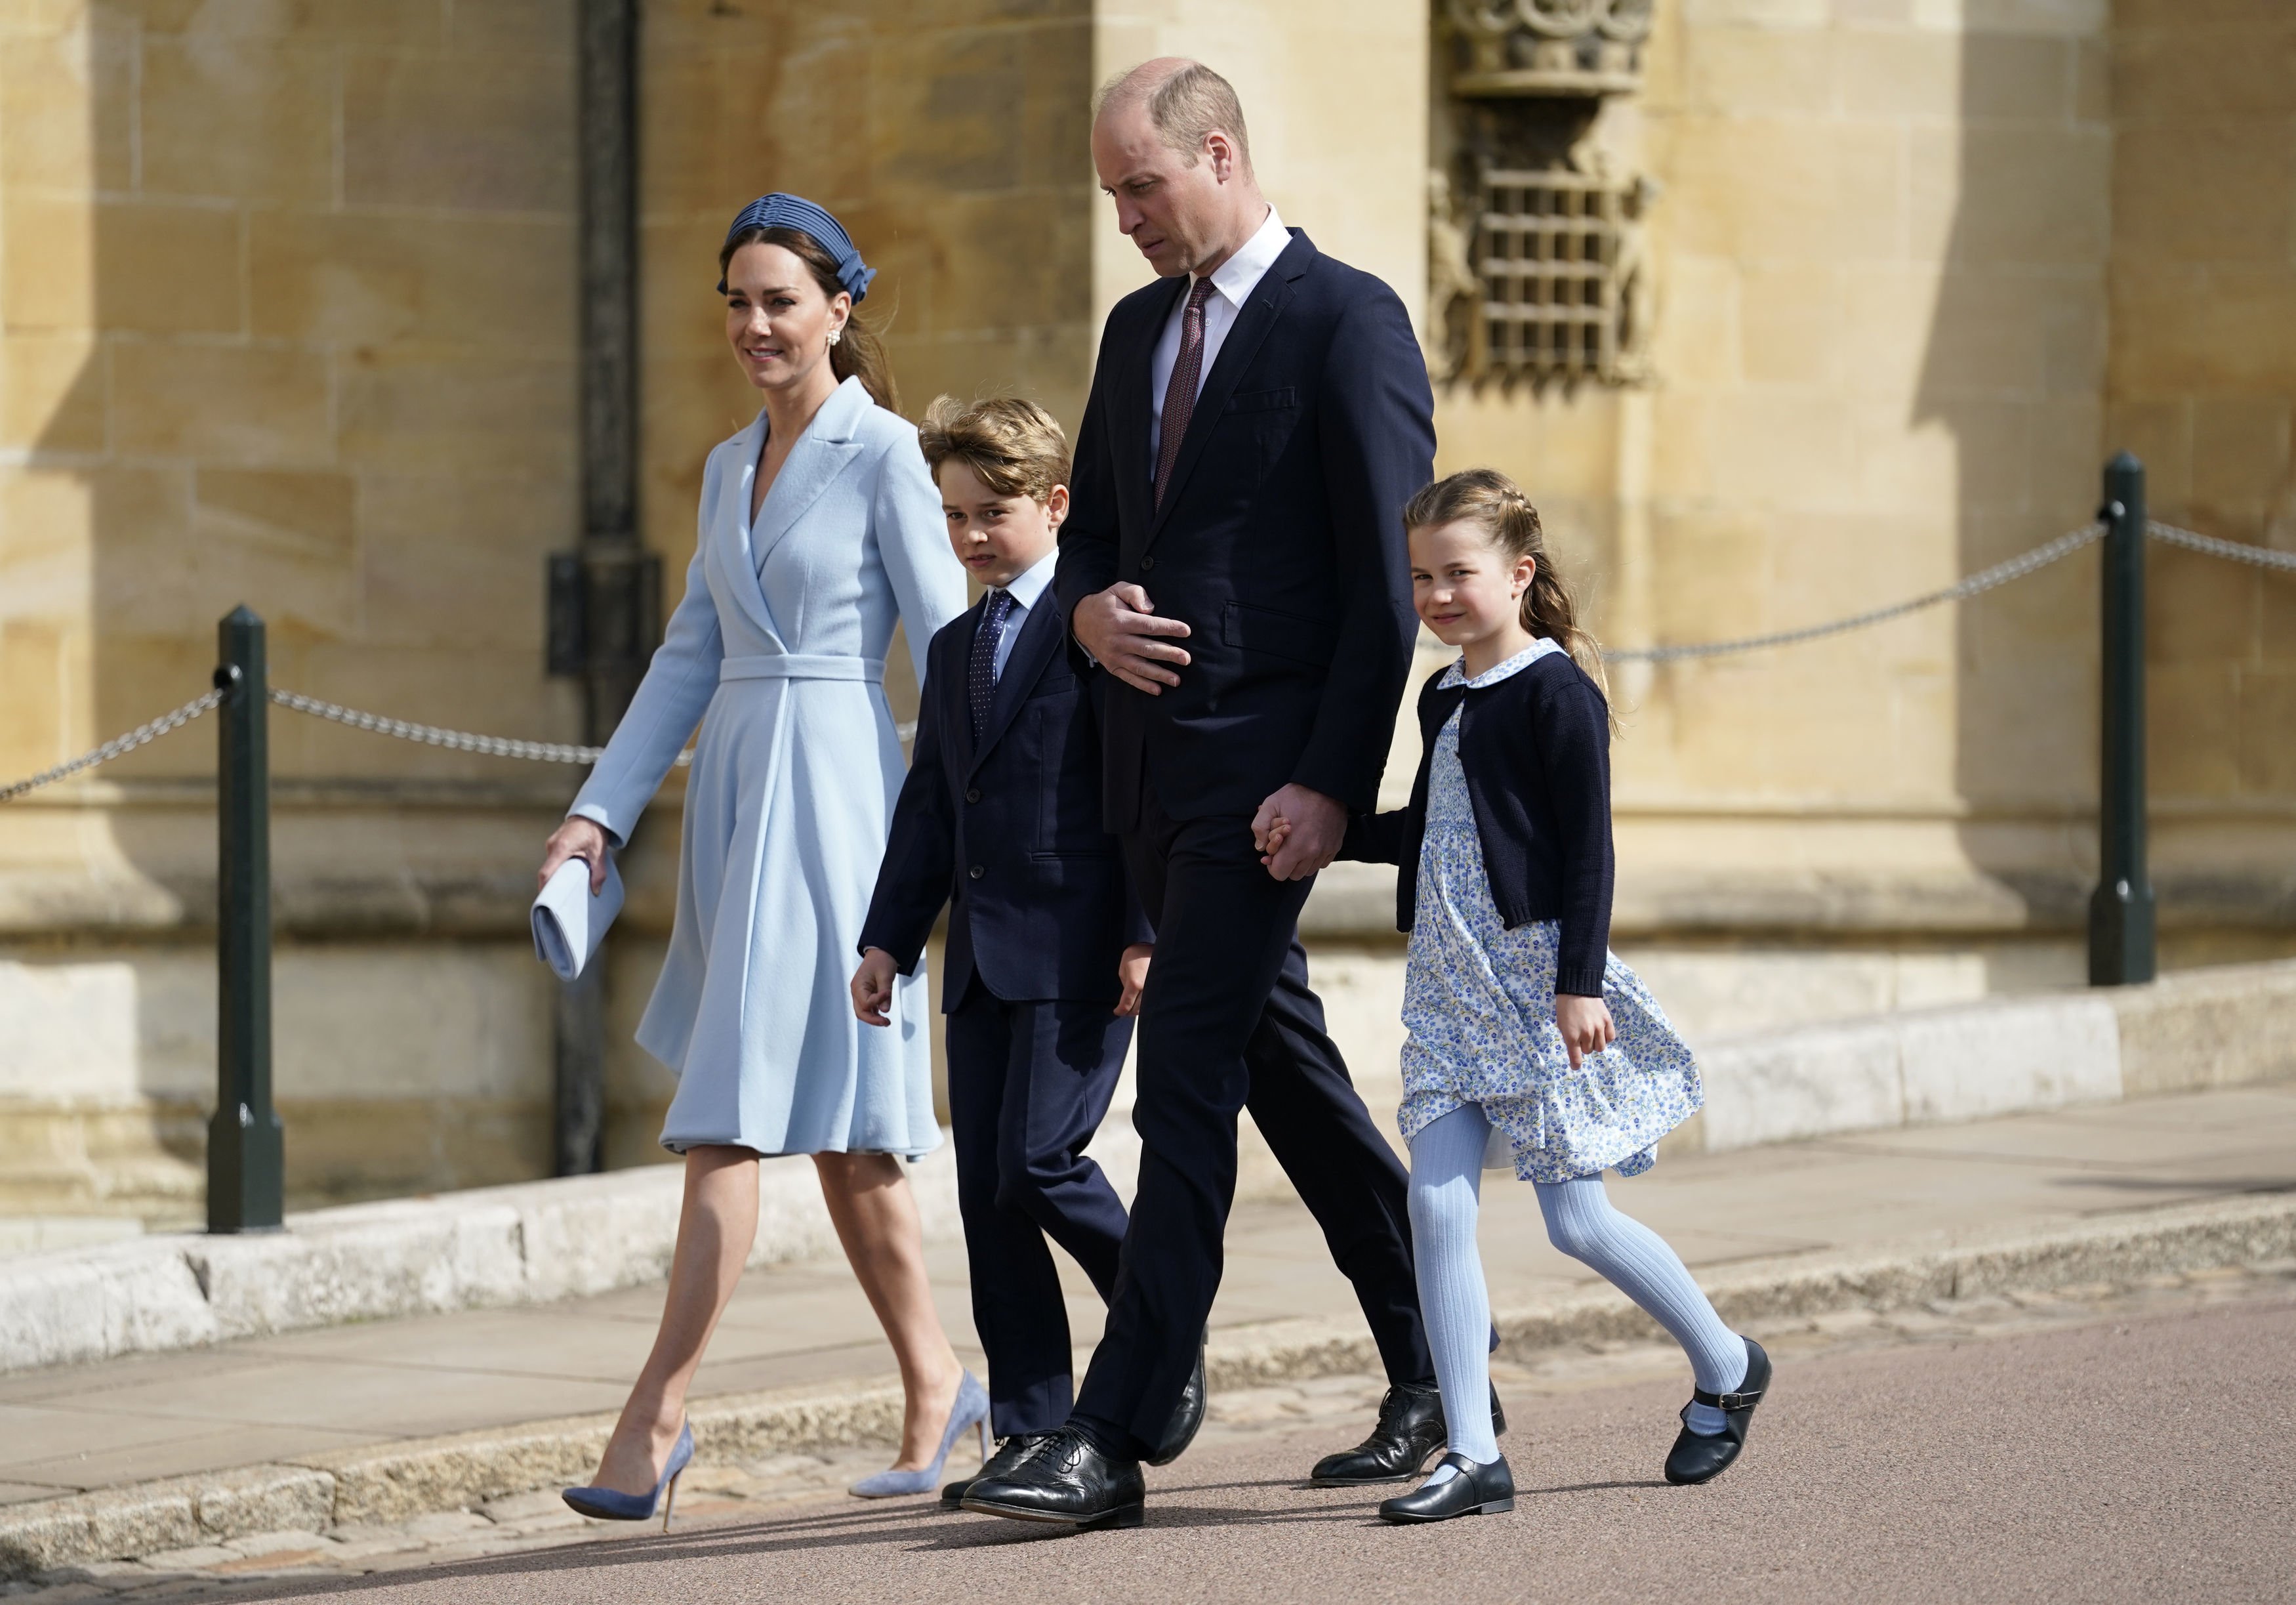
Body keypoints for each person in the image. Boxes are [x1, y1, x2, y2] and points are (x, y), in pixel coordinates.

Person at [962, 60, 1467, 1532]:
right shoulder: (1130, 334)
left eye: (1141, 186)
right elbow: (1098, 542)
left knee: (1179, 1081)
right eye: (1111, 193)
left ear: (1219, 153)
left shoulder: (1344, 320)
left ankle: (1114, 1429)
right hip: (1142, 783)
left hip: (1265, 793)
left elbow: (1384, 595)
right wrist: (1080, 620)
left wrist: (1329, 782)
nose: (1122, 217)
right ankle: (1437, 1360)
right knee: (1279, 1068)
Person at [542, 195, 981, 1524]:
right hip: (739, 793)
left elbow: (953, 650)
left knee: (738, 1115)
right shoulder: (727, 465)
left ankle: (652, 1414)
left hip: (841, 795)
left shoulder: (889, 453)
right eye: (735, 300)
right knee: (847, 1138)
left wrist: (975, 836)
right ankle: (937, 1377)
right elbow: (686, 652)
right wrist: (598, 815)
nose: (753, 325)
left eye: (779, 300)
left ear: (840, 308)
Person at [1313, 468, 1769, 1523]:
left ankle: (1728, 1361)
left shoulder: (1559, 691)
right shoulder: (1442, 696)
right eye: (1421, 576)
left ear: (1518, 576)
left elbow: (1587, 855)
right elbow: (1435, 829)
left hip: (1532, 987)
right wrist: (1334, 832)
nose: (1435, 595)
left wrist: (1577, 985)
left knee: (1576, 1220)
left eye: (1457, 574)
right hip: (1445, 989)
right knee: (1434, 1204)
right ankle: (1472, 1453)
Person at [851, 395, 1155, 1508]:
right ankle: (1031, 1428)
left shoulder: (1096, 620)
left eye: (993, 512)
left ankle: (1158, 1318)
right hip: (979, 962)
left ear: (1057, 505)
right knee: (988, 1194)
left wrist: (1145, 928)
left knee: (1043, 1163)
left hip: (1083, 950)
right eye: (954, 516)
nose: (972, 535)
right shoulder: (951, 644)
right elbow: (932, 806)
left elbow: (1138, 789)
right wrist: (889, 936)